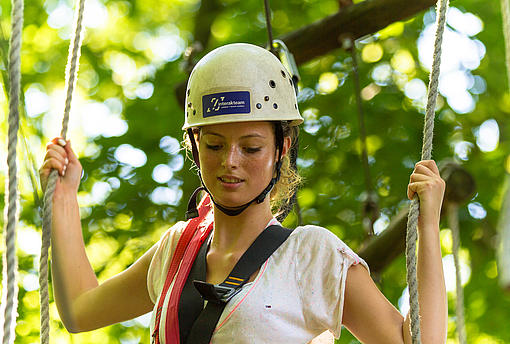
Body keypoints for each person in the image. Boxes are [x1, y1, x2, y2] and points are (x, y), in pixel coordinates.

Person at [39, 43, 447, 343]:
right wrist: (63, 198)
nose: (230, 161)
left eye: (251, 148)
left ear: (280, 150)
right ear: (195, 147)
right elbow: (79, 310)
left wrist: (428, 224)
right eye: (214, 145)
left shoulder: (311, 255)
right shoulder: (177, 251)